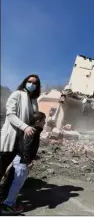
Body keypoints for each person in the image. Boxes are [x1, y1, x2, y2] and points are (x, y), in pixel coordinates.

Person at [0, 74, 41, 205]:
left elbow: (34, 118)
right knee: (1, 166)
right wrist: (24, 127)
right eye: (29, 81)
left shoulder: (34, 100)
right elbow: (10, 114)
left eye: (35, 83)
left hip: (23, 142)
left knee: (14, 170)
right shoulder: (17, 94)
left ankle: (3, 196)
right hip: (11, 137)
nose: (32, 84)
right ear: (25, 82)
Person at [1, 112, 46, 215]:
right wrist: (27, 162)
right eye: (44, 121)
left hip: (19, 159)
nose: (45, 123)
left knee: (11, 182)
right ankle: (8, 207)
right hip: (22, 162)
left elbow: (27, 147)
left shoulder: (31, 129)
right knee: (16, 185)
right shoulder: (32, 131)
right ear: (38, 122)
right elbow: (26, 147)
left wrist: (33, 156)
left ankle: (5, 201)